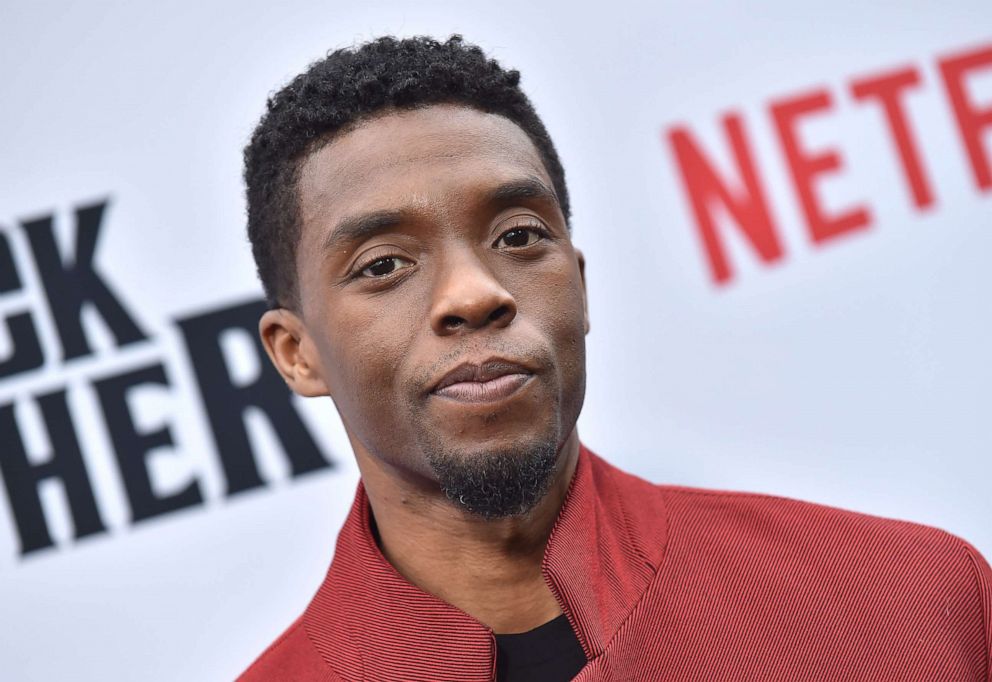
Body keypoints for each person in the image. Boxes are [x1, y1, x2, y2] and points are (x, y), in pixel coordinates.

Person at [238, 35, 991, 681]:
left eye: (519, 236)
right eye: (383, 265)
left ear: (582, 286)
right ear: (297, 354)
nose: (473, 293)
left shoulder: (911, 601)